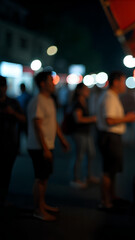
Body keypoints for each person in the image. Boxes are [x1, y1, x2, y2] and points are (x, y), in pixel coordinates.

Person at [27, 70, 69, 221]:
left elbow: (53, 123)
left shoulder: (49, 100)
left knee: (44, 177)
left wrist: (62, 139)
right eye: (50, 81)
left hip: (46, 145)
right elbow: (37, 126)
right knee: (40, 178)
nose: (53, 84)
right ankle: (38, 210)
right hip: (38, 146)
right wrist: (45, 148)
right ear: (42, 84)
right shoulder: (38, 100)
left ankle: (42, 204)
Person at [96, 71, 135, 209]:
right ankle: (105, 202)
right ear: (116, 82)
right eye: (123, 81)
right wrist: (128, 118)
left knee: (111, 170)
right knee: (107, 170)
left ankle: (111, 198)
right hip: (109, 137)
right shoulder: (109, 97)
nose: (125, 85)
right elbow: (109, 120)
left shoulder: (112, 96)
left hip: (112, 137)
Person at [0, 76, 26, 207]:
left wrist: (12, 113)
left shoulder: (13, 102)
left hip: (10, 144)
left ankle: (3, 198)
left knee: (6, 173)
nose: (1, 89)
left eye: (3, 86)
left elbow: (23, 119)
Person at [70, 83, 98, 189]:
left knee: (91, 153)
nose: (88, 91)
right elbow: (78, 119)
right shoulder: (77, 103)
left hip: (86, 132)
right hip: (79, 133)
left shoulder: (84, 102)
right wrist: (92, 119)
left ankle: (89, 175)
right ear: (79, 91)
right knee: (79, 156)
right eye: (86, 90)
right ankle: (76, 178)